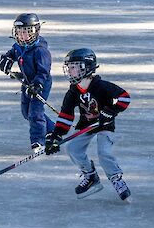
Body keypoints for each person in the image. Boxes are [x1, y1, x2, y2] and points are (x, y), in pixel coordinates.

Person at [44, 48, 132, 201]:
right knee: (72, 148)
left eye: (73, 67)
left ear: (86, 67)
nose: (69, 71)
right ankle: (91, 176)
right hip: (86, 125)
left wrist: (111, 111)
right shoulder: (73, 92)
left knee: (104, 153)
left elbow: (124, 98)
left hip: (104, 125)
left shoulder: (101, 86)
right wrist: (56, 135)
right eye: (68, 67)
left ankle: (116, 178)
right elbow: (66, 115)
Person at [0, 13, 54, 154]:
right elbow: (12, 53)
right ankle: (52, 129)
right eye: (20, 32)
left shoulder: (40, 50)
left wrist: (38, 85)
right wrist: (6, 60)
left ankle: (38, 141)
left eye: (27, 32)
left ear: (35, 32)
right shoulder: (19, 46)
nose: (23, 36)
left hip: (40, 84)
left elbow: (43, 71)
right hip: (27, 83)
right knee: (26, 112)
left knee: (35, 112)